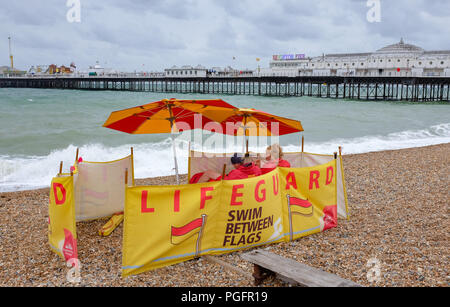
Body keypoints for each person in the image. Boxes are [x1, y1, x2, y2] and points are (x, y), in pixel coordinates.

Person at [189, 153, 262, 184]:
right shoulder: (256, 169)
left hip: (228, 182)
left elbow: (227, 180)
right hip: (244, 182)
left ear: (236, 164)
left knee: (208, 173)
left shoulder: (235, 173)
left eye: (233, 164)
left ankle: (195, 189)